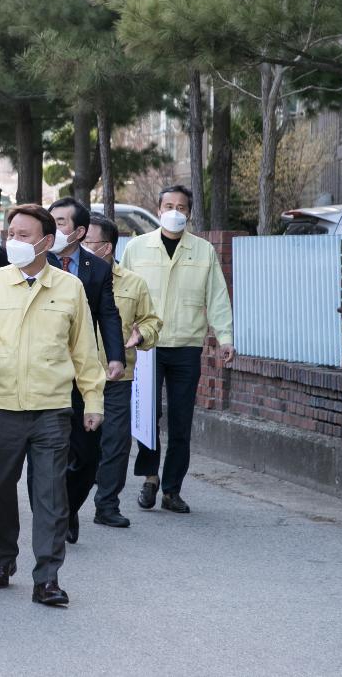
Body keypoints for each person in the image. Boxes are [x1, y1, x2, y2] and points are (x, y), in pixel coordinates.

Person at [0, 204, 104, 607]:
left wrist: (92, 400)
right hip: (0, 405)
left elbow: (85, 351)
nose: (14, 241)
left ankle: (47, 577)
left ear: (46, 242)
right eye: (11, 233)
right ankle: (2, 560)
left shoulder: (69, 288)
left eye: (24, 235)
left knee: (50, 495)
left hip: (51, 409)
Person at [121, 185, 235, 514]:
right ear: (158, 210)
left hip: (186, 344)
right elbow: (124, 293)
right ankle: (150, 477)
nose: (175, 211)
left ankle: (172, 489)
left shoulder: (202, 251)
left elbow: (216, 296)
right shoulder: (137, 248)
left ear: (189, 213)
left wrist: (225, 337)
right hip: (146, 346)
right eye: (169, 205)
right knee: (147, 417)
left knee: (181, 420)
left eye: (182, 207)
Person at [69, 215, 162, 528]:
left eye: (87, 242)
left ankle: (107, 504)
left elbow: (151, 321)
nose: (79, 247)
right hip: (74, 377)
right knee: (78, 447)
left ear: (106, 247)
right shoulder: (68, 276)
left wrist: (142, 336)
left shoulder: (133, 284)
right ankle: (66, 509)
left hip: (116, 377)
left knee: (117, 442)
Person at [46, 197, 126, 544]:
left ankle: (69, 506)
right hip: (44, 368)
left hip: (81, 369)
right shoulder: (37, 261)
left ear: (79, 231)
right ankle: (52, 516)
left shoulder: (97, 268)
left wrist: (116, 355)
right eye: (51, 221)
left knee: (87, 452)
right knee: (46, 451)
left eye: (61, 223)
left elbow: (108, 313)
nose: (54, 229)